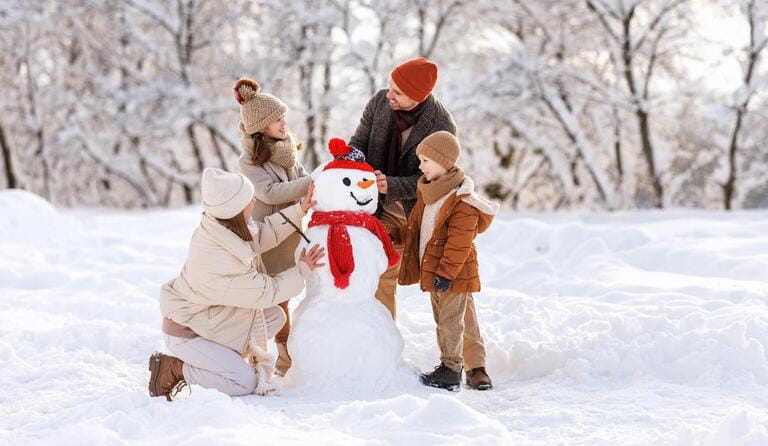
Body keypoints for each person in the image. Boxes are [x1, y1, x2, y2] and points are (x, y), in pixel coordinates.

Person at [147, 167, 324, 400]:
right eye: (247, 199)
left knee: (274, 317)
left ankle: (226, 360)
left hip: (212, 320)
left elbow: (262, 236)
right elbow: (266, 292)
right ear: (234, 209)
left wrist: (300, 209)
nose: (253, 201)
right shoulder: (217, 260)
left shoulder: (225, 230)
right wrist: (302, 269)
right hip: (188, 334)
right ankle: (175, 368)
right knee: (242, 382)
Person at [349, 57, 456, 320]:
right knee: (379, 269)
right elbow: (359, 143)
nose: (390, 95)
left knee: (444, 283)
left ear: (418, 97)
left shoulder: (441, 126)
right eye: (390, 85)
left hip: (416, 211)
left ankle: (459, 353)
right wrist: (347, 161)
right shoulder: (379, 102)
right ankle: (379, 339)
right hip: (377, 205)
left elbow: (435, 181)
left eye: (398, 92)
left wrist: (392, 184)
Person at [398, 131, 498, 391]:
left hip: (451, 273)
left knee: (451, 321)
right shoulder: (430, 193)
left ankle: (452, 369)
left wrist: (446, 272)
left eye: (425, 161)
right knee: (445, 320)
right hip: (435, 272)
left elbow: (459, 243)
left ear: (443, 162)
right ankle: (452, 366)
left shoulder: (461, 201)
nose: (420, 167)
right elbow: (419, 228)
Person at [233, 78, 311, 376]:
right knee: (280, 299)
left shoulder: (287, 150)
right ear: (261, 125)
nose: (283, 123)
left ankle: (296, 353)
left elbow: (300, 179)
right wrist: (311, 183)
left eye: (283, 117)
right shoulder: (249, 161)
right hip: (271, 236)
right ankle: (283, 358)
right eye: (277, 119)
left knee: (295, 291)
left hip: (294, 230)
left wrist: (312, 185)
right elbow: (271, 193)